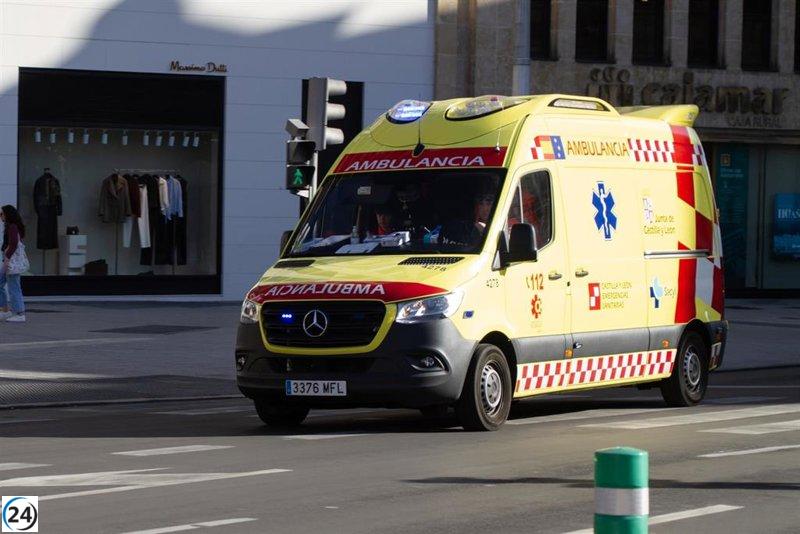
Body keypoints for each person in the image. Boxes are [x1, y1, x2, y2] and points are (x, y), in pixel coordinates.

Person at [1, 205, 27, 322]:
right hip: (9, 262)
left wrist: (6, 259)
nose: (1, 216)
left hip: (11, 263)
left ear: (8, 214)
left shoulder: (12, 227)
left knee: (14, 287)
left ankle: (20, 313)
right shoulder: (10, 227)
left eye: (1, 214)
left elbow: (13, 245)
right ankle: (5, 310)